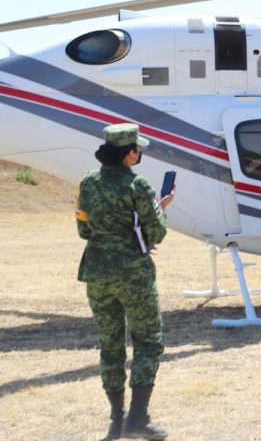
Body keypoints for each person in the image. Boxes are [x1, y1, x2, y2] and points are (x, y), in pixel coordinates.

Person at [75, 123, 173, 441]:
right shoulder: (138, 184)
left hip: (97, 273)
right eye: (137, 148)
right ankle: (138, 419)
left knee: (111, 346)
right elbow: (157, 231)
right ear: (129, 152)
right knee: (147, 341)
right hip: (133, 274)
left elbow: (84, 230)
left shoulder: (88, 183)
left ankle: (117, 421)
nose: (140, 153)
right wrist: (158, 211)